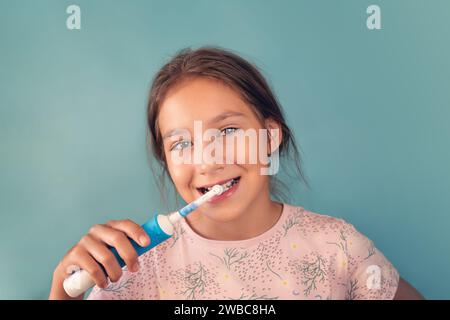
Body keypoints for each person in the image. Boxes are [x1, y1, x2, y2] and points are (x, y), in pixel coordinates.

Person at [49, 47, 423, 300]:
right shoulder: (129, 269)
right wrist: (60, 295)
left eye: (227, 132)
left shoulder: (340, 249)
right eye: (181, 144)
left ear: (270, 137)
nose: (207, 162)